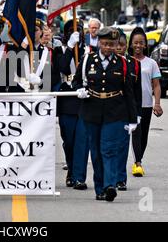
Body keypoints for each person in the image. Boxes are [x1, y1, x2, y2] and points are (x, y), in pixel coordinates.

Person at [73, 27, 138, 202]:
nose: (109, 48)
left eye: (112, 44)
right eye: (105, 44)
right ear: (99, 43)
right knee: (95, 151)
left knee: (108, 149)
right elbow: (76, 81)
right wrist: (80, 90)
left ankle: (110, 185)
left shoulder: (123, 63)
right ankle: (99, 188)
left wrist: (133, 118)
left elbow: (129, 92)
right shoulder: (87, 60)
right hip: (91, 110)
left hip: (115, 111)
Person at [55, 19, 89, 190]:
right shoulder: (59, 50)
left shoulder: (89, 51)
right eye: (70, 30)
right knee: (69, 141)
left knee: (82, 141)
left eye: (79, 30)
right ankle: (71, 171)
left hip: (84, 100)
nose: (76, 33)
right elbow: (62, 67)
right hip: (67, 100)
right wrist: (69, 47)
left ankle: (78, 176)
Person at [128, 27, 163, 177]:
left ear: (145, 45)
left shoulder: (151, 63)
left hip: (146, 104)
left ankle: (138, 158)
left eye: (141, 43)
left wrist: (157, 103)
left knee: (143, 135)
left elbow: (156, 84)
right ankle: (138, 163)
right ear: (131, 44)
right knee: (136, 132)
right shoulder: (126, 61)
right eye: (135, 43)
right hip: (130, 104)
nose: (138, 46)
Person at [115, 30, 142, 191]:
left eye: (122, 45)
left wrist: (137, 113)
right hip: (110, 109)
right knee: (110, 146)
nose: (118, 48)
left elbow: (136, 92)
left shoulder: (134, 64)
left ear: (127, 46)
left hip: (126, 110)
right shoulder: (108, 62)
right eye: (116, 45)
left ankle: (120, 179)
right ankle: (109, 177)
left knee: (123, 146)